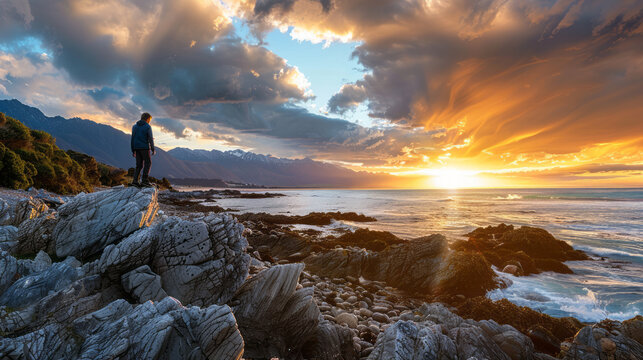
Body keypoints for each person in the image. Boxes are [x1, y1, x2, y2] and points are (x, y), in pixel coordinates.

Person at [130, 112, 155, 187]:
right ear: (147, 119)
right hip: (144, 147)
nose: (149, 121)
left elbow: (132, 138)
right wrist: (153, 149)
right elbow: (150, 138)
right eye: (149, 120)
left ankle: (135, 181)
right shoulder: (147, 126)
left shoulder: (134, 126)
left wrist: (133, 150)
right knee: (148, 163)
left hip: (136, 147)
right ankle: (144, 180)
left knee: (139, 165)